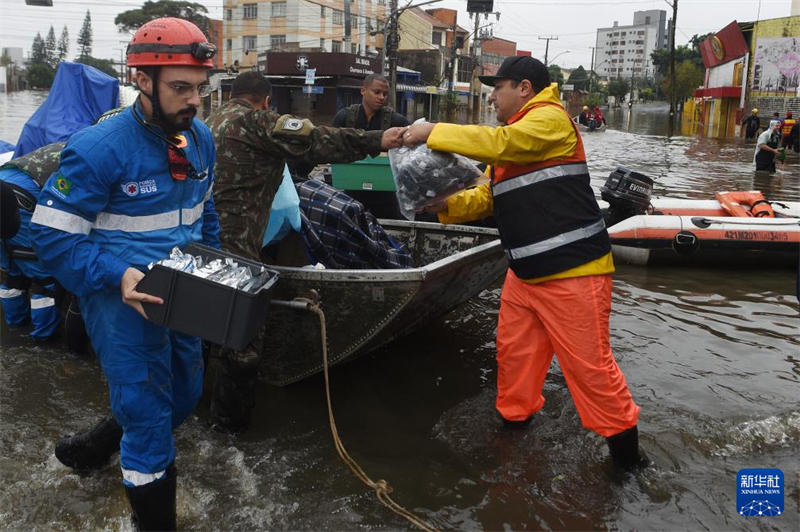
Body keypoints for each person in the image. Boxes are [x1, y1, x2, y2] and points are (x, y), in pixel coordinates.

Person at [402, 55, 644, 470]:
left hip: (573, 272)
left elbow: (498, 144)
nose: (492, 95)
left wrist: (433, 131)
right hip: (525, 273)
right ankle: (513, 436)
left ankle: (629, 465)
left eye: (499, 87)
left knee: (591, 373)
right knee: (514, 362)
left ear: (525, 89)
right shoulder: (517, 135)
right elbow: (491, 197)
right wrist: (444, 205)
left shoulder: (549, 119)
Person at [30, 18, 221, 530]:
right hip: (118, 295)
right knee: (150, 419)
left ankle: (97, 445)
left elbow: (205, 213)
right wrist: (117, 277)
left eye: (201, 88)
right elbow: (51, 235)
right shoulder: (98, 147)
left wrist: (219, 274)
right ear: (141, 79)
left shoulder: (199, 138)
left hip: (180, 288)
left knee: (184, 394)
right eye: (181, 88)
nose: (194, 101)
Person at [204, 71, 406, 432]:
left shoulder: (210, 121)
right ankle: (228, 432)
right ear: (265, 101)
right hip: (236, 246)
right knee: (243, 338)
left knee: (207, 323)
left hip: (200, 241)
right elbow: (316, 139)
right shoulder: (255, 121)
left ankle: (197, 406)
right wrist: (380, 140)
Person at [0, 142, 88, 351]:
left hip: (6, 183)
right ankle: (43, 343)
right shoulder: (87, 154)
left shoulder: (71, 146)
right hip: (22, 200)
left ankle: (14, 329)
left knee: (13, 270)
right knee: (44, 278)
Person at [331, 73, 410, 130]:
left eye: (385, 94)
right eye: (377, 92)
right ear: (363, 91)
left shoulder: (396, 121)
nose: (382, 97)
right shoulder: (345, 117)